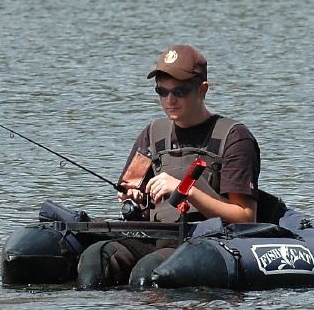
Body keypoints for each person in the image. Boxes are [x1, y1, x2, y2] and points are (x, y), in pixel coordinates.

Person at [76, 44, 261, 289]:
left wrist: (188, 191)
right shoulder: (153, 134)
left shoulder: (234, 137)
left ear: (202, 90)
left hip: (203, 239)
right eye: (162, 91)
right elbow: (129, 189)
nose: (169, 100)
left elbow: (246, 217)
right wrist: (132, 197)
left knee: (147, 272)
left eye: (180, 91)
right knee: (95, 260)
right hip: (154, 234)